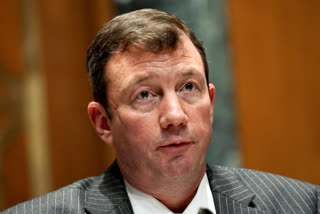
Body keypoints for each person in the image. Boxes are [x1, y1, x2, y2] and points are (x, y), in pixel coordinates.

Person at [2, 8, 319, 214]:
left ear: (210, 104)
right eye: (144, 95)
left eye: (188, 88)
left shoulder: (302, 206)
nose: (175, 116)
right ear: (103, 122)